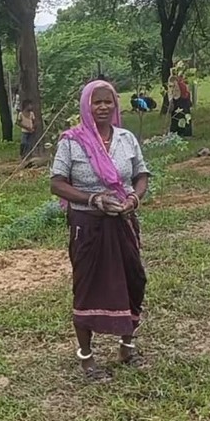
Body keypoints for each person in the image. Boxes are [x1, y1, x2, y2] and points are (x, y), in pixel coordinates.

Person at [49, 81, 150, 383]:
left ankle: (127, 347)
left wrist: (133, 198)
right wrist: (92, 198)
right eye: (97, 102)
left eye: (109, 102)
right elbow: (57, 183)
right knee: (88, 286)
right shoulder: (71, 142)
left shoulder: (126, 139)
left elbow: (141, 175)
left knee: (134, 280)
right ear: (86, 106)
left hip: (123, 223)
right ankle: (87, 359)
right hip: (88, 227)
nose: (103, 107)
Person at [167, 65, 194, 137]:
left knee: (186, 116)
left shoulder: (185, 79)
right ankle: (176, 133)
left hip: (185, 99)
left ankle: (186, 133)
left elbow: (188, 89)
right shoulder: (172, 79)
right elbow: (171, 90)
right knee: (177, 116)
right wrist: (171, 100)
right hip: (177, 100)